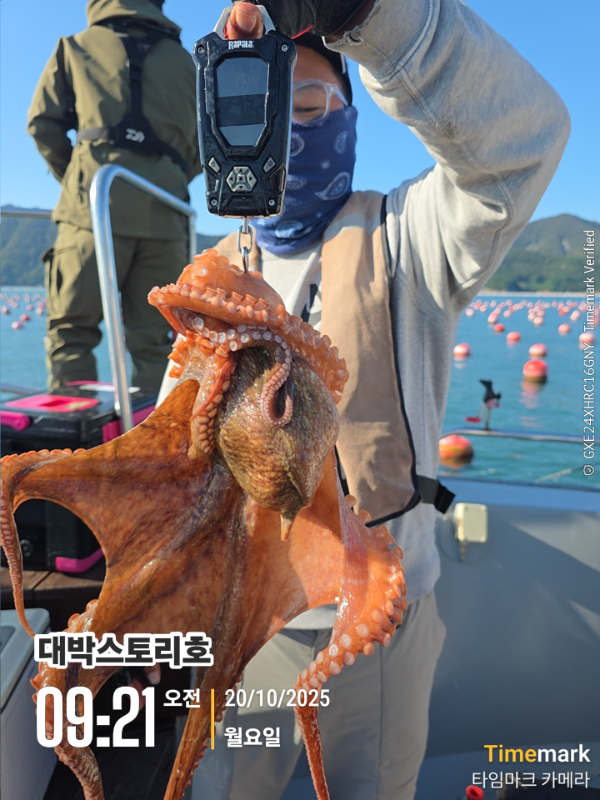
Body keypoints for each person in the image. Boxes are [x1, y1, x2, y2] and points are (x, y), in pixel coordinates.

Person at [169, 0, 567, 797]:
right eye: (269, 107)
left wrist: (373, 15)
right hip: (239, 621)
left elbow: (520, 146)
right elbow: (175, 456)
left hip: (379, 618)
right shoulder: (208, 278)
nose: (290, 128)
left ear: (352, 118)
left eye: (313, 104)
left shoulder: (408, 238)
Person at [28, 0, 201, 393]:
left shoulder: (75, 46)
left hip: (91, 213)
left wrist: (79, 181)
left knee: (72, 334)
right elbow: (205, 146)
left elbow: (42, 124)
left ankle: (77, 428)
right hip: (166, 218)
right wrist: (169, 177)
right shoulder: (188, 64)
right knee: (161, 345)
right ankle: (154, 431)